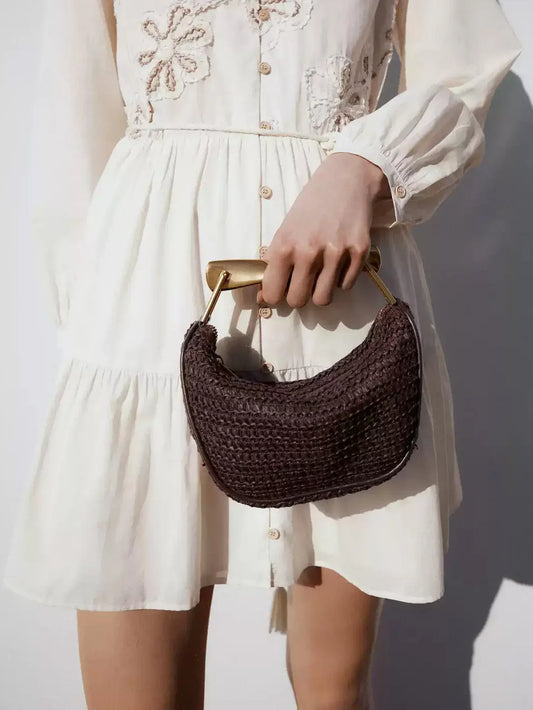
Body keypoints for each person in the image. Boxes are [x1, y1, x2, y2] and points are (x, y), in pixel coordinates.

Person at [3, 0, 521, 708]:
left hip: (343, 317)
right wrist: (92, 326)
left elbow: (468, 67)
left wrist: (364, 165)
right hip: (147, 313)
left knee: (333, 693)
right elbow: (74, 124)